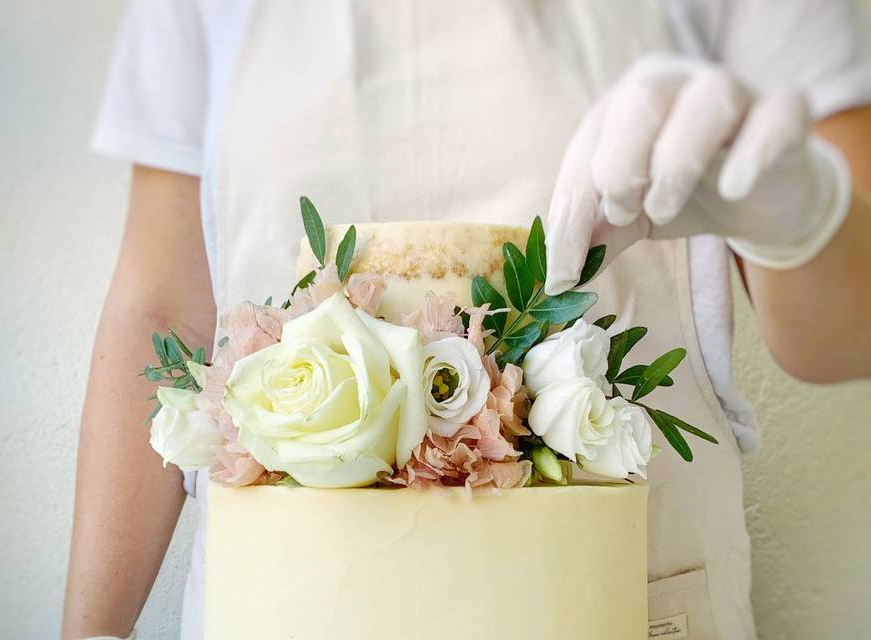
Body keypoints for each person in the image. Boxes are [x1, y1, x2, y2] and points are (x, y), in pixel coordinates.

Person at [62, 1, 871, 638]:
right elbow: (160, 309)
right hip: (284, 608)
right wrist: (94, 632)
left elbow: (851, 333)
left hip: (639, 595)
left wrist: (801, 219)